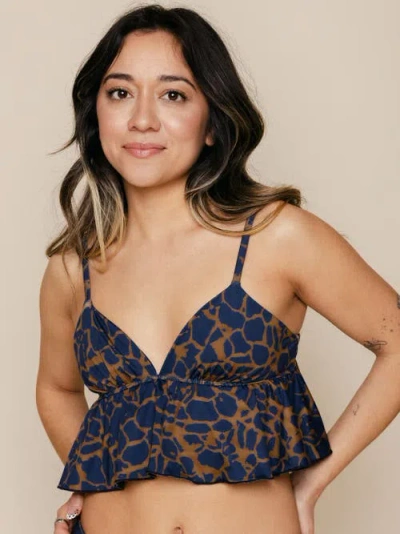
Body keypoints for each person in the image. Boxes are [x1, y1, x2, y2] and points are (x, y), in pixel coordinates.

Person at [36, 4, 400, 534]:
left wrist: (310, 484)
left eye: (173, 95)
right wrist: (93, 477)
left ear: (212, 123)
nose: (142, 119)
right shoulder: (74, 268)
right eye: (119, 93)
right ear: (96, 116)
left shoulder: (278, 236)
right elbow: (57, 389)